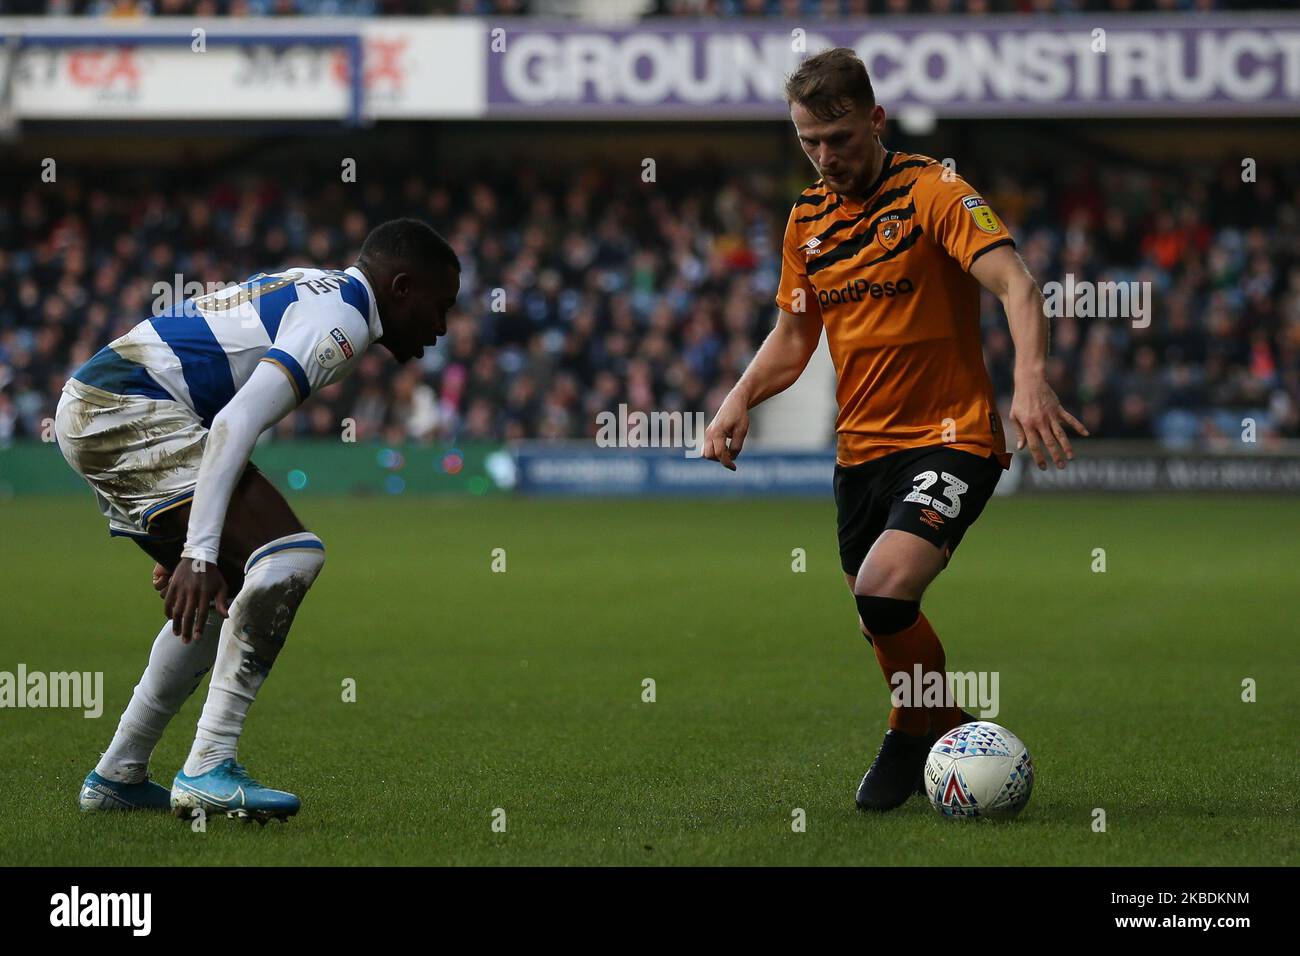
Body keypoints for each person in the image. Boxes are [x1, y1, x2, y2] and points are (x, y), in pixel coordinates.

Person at [701, 49, 1087, 812]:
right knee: (879, 618)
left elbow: (1015, 281)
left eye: (838, 137)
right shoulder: (806, 219)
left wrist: (1031, 378)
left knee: (884, 587)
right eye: (808, 141)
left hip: (953, 434)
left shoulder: (932, 191)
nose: (824, 157)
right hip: (861, 453)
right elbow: (793, 335)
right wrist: (738, 396)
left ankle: (921, 738)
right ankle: (933, 727)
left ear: (875, 120)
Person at [56, 218, 460, 822]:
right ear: (402, 287)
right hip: (128, 408)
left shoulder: (320, 290)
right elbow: (234, 424)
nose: (442, 328)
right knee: (294, 555)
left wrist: (204, 548)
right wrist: (197, 550)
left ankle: (118, 773)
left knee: (228, 595)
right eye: (441, 305)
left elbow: (223, 406)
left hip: (105, 404)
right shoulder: (343, 323)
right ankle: (208, 765)